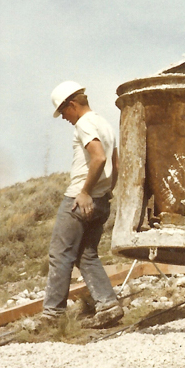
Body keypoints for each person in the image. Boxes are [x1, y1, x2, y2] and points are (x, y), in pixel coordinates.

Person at [41, 81, 123, 329]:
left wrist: (86, 192)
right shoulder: (105, 124)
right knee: (86, 256)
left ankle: (53, 316)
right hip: (100, 202)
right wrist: (105, 192)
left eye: (63, 112)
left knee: (60, 254)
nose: (64, 118)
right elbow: (116, 164)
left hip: (79, 199)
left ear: (72, 105)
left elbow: (98, 157)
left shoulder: (84, 124)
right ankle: (108, 304)